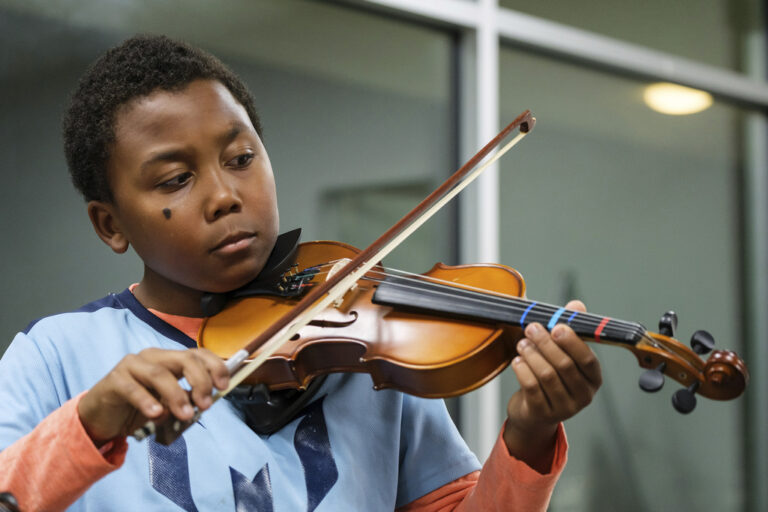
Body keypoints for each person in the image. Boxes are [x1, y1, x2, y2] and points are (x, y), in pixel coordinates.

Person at [0, 35, 601, 511]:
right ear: (110, 225)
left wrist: (529, 433)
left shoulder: (367, 350)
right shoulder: (57, 356)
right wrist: (88, 422)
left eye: (241, 159)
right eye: (175, 179)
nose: (224, 196)